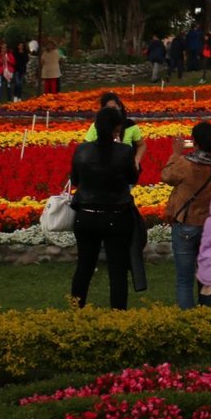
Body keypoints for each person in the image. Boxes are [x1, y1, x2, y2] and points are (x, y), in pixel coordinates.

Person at [68, 106, 139, 310]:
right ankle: (117, 315)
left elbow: (74, 179)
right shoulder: (124, 151)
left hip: (86, 215)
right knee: (117, 271)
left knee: (84, 267)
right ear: (117, 129)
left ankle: (75, 311)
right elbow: (132, 178)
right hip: (116, 216)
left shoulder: (82, 150)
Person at [160, 120, 211, 310]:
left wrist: (176, 153)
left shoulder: (184, 164)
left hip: (186, 225)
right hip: (210, 227)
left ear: (195, 142)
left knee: (184, 279)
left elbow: (166, 176)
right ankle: (206, 318)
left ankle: (188, 321)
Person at [83, 92, 146, 168]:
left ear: (119, 106)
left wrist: (136, 160)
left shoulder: (130, 125)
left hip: (126, 169)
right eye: (108, 109)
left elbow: (142, 145)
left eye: (114, 108)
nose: (112, 112)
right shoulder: (96, 126)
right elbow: (85, 148)